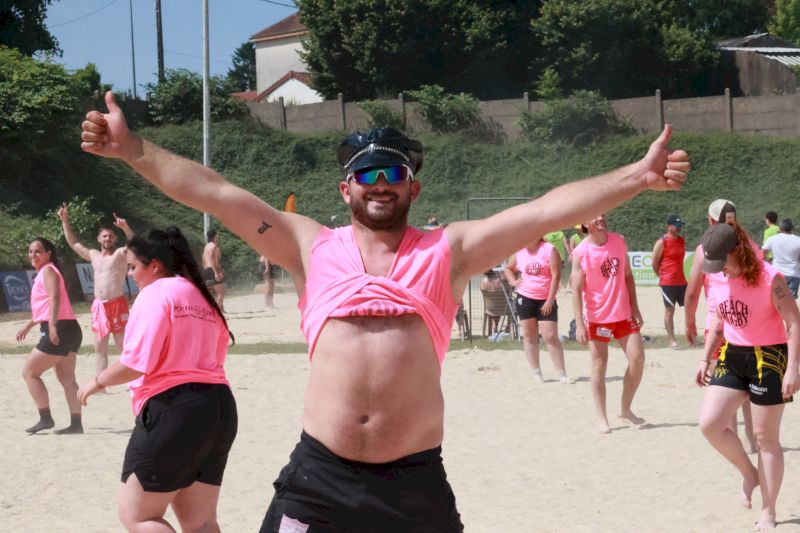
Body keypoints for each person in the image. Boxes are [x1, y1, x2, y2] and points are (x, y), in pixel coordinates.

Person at [80, 91, 689, 531]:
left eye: (393, 171)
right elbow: (215, 193)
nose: (380, 182)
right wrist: (134, 150)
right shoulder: (309, 246)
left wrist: (637, 176)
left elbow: (545, 211)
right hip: (319, 478)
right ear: (345, 187)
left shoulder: (447, 251)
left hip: (414, 482)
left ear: (412, 187)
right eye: (365, 172)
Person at [77, 227, 238, 532]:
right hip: (220, 406)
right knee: (201, 522)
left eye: (133, 267)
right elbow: (217, 359)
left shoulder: (155, 293)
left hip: (175, 408)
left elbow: (136, 363)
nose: (131, 275)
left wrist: (97, 381)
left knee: (138, 516)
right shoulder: (203, 296)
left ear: (154, 265)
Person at [695, 222, 800, 531]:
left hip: (769, 357)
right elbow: (719, 320)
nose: (720, 270)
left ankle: (769, 510)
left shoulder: (770, 278)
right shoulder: (718, 276)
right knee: (710, 424)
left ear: (738, 251)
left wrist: (793, 368)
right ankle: (750, 474)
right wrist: (705, 357)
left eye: (723, 262)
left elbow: (794, 323)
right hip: (732, 354)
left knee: (766, 439)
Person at [685, 199, 758, 453]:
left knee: (727, 385)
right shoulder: (750, 246)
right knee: (749, 386)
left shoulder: (704, 249)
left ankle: (734, 438)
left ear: (710, 220)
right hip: (747, 322)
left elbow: (692, 292)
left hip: (717, 323)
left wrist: (689, 323)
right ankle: (752, 439)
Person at [571, 214, 646, 433]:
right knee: (599, 365)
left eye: (603, 214)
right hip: (598, 318)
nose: (601, 218)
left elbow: (628, 277)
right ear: (586, 223)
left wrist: (635, 307)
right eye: (595, 216)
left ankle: (625, 409)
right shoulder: (581, 252)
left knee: (638, 359)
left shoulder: (619, 241)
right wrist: (579, 324)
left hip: (623, 314)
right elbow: (576, 291)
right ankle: (602, 418)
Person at [17, 237, 83, 434]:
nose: (33, 255)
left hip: (60, 327)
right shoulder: (47, 271)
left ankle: (45, 419)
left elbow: (55, 299)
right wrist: (30, 324)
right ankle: (76, 424)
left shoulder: (48, 270)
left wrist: (52, 327)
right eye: (31, 251)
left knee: (30, 373)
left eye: (38, 251)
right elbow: (46, 306)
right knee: (68, 379)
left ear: (48, 253)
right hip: (70, 328)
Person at [59, 203, 133, 376]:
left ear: (115, 239)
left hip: (117, 304)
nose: (107, 238)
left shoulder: (120, 254)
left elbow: (136, 245)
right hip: (99, 306)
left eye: (111, 236)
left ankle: (134, 382)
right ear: (99, 239)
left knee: (123, 346)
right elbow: (74, 243)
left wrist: (125, 228)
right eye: (104, 236)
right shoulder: (93, 255)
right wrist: (65, 221)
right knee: (100, 347)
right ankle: (101, 384)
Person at [504, 238, 571, 383]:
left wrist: (550, 300)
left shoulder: (549, 249)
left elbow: (556, 276)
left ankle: (562, 374)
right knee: (529, 335)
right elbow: (508, 269)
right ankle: (536, 372)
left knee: (550, 336)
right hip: (525, 298)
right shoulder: (519, 250)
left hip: (545, 299)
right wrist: (513, 281)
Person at [651, 214, 687, 349]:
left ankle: (692, 337)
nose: (679, 228)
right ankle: (672, 340)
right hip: (668, 282)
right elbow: (654, 263)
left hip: (682, 281)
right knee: (669, 311)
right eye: (677, 226)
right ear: (669, 226)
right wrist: (662, 277)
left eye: (680, 226)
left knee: (690, 309)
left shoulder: (682, 241)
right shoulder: (662, 242)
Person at [762, 218, 800, 299]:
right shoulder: (798, 240)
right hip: (794, 274)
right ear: (792, 228)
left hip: (777, 274)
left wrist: (767, 265)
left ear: (779, 228)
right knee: (791, 301)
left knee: (777, 299)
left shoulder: (772, 239)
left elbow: (762, 254)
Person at [202, 228, 225, 313]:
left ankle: (217, 310)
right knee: (220, 292)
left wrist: (205, 269)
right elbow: (213, 260)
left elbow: (203, 259)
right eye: (217, 234)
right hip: (212, 270)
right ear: (215, 236)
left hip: (206, 270)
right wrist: (216, 272)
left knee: (211, 293)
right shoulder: (214, 246)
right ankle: (216, 312)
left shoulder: (206, 246)